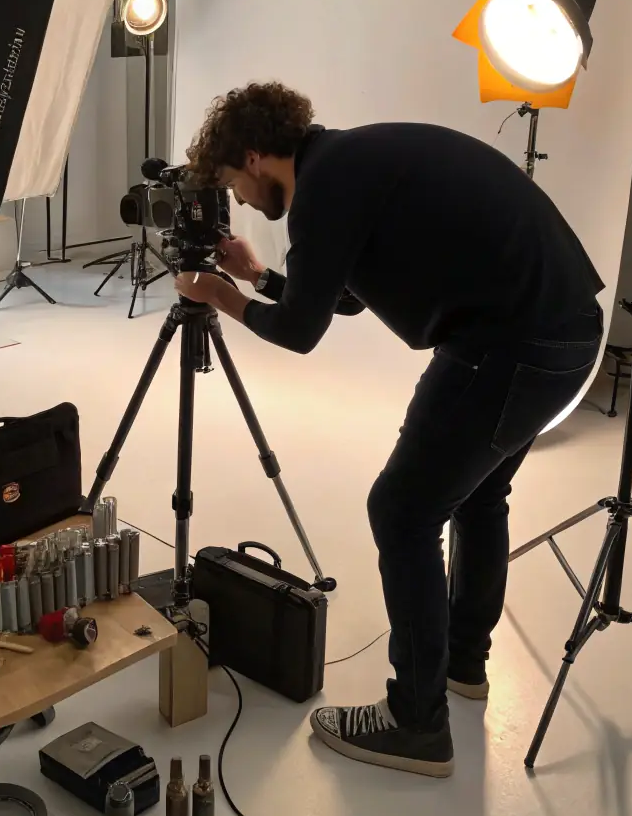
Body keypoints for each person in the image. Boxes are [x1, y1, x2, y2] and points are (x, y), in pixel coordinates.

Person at [175, 83, 603, 779]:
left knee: (401, 510)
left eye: (234, 184)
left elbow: (301, 332)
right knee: (477, 495)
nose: (244, 203)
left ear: (255, 156)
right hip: (562, 330)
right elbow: (340, 296)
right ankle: (464, 667)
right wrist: (262, 276)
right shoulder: (347, 161)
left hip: (510, 342)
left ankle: (415, 723)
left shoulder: (324, 187)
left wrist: (223, 296)